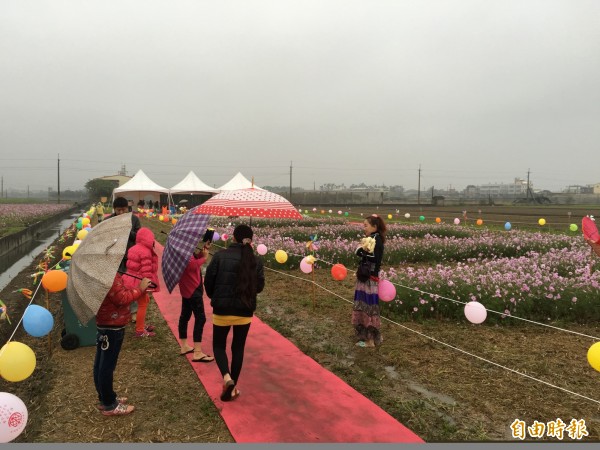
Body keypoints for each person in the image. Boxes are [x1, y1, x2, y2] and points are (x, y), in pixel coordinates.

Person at [204, 224, 265, 401]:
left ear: (233, 238)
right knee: (238, 348)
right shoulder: (255, 261)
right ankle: (232, 388)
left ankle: (227, 378)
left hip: (222, 310)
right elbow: (259, 287)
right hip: (244, 312)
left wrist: (214, 297)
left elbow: (208, 281)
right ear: (251, 241)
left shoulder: (220, 256)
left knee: (218, 346)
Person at [94, 272, 152, 415]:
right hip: (112, 326)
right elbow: (122, 299)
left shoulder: (99, 272)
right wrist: (140, 288)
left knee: (100, 364)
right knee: (106, 366)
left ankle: (105, 398)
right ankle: (109, 405)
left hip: (103, 322)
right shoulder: (110, 275)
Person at [352, 214, 386, 348]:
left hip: (369, 279)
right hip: (367, 277)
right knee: (366, 306)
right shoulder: (374, 238)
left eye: (366, 225)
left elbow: (373, 258)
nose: (363, 228)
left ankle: (370, 340)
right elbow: (360, 252)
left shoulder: (374, 239)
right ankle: (369, 336)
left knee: (367, 307)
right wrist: (362, 251)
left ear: (374, 227)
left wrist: (362, 251)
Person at [177, 241, 214, 362]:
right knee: (200, 318)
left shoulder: (183, 249)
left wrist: (202, 251)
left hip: (186, 288)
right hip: (192, 289)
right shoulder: (183, 250)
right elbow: (192, 265)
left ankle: (184, 346)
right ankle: (197, 352)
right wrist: (204, 258)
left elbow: (193, 259)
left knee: (185, 316)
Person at [108, 196, 142, 321]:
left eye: (123, 210)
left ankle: (133, 311)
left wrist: (127, 230)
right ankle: (117, 310)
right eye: (118, 210)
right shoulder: (108, 221)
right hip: (113, 257)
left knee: (130, 284)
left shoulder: (134, 220)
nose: (121, 213)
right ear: (114, 210)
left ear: (127, 209)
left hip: (130, 257)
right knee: (115, 285)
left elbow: (139, 238)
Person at [123, 227, 160, 337]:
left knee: (144, 302)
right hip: (140, 282)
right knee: (143, 304)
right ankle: (140, 330)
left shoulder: (133, 248)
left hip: (131, 279)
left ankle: (141, 324)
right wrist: (148, 285)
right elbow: (146, 271)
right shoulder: (146, 252)